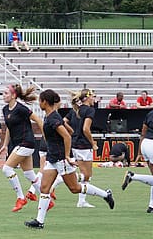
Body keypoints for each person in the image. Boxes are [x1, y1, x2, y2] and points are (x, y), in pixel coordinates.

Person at [24, 90, 115, 229]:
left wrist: (66, 156)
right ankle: (39, 221)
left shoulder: (53, 118)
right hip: (53, 157)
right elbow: (71, 132)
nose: (39, 103)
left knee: (74, 188)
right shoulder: (52, 116)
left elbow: (67, 136)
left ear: (45, 102)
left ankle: (105, 194)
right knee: (44, 188)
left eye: (40, 101)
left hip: (60, 158)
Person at [0, 84, 48, 212]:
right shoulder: (5, 109)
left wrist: (47, 137)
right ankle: (47, 201)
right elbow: (9, 128)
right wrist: (5, 145)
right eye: (3, 93)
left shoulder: (21, 109)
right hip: (19, 144)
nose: (3, 95)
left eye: (6, 93)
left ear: (14, 95)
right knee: (29, 174)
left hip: (26, 142)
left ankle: (21, 198)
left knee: (6, 168)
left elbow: (38, 120)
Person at [122, 90, 153, 213]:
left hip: (146, 144)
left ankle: (152, 206)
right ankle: (133, 176)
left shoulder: (151, 113)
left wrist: (139, 152)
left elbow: (143, 133)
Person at [68, 88, 98, 208]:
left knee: (85, 175)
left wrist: (71, 132)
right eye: (93, 96)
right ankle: (61, 179)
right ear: (87, 98)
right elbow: (86, 129)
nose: (94, 99)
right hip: (84, 145)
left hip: (75, 143)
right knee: (86, 175)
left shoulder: (77, 109)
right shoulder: (90, 110)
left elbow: (65, 121)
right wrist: (93, 143)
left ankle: (82, 201)